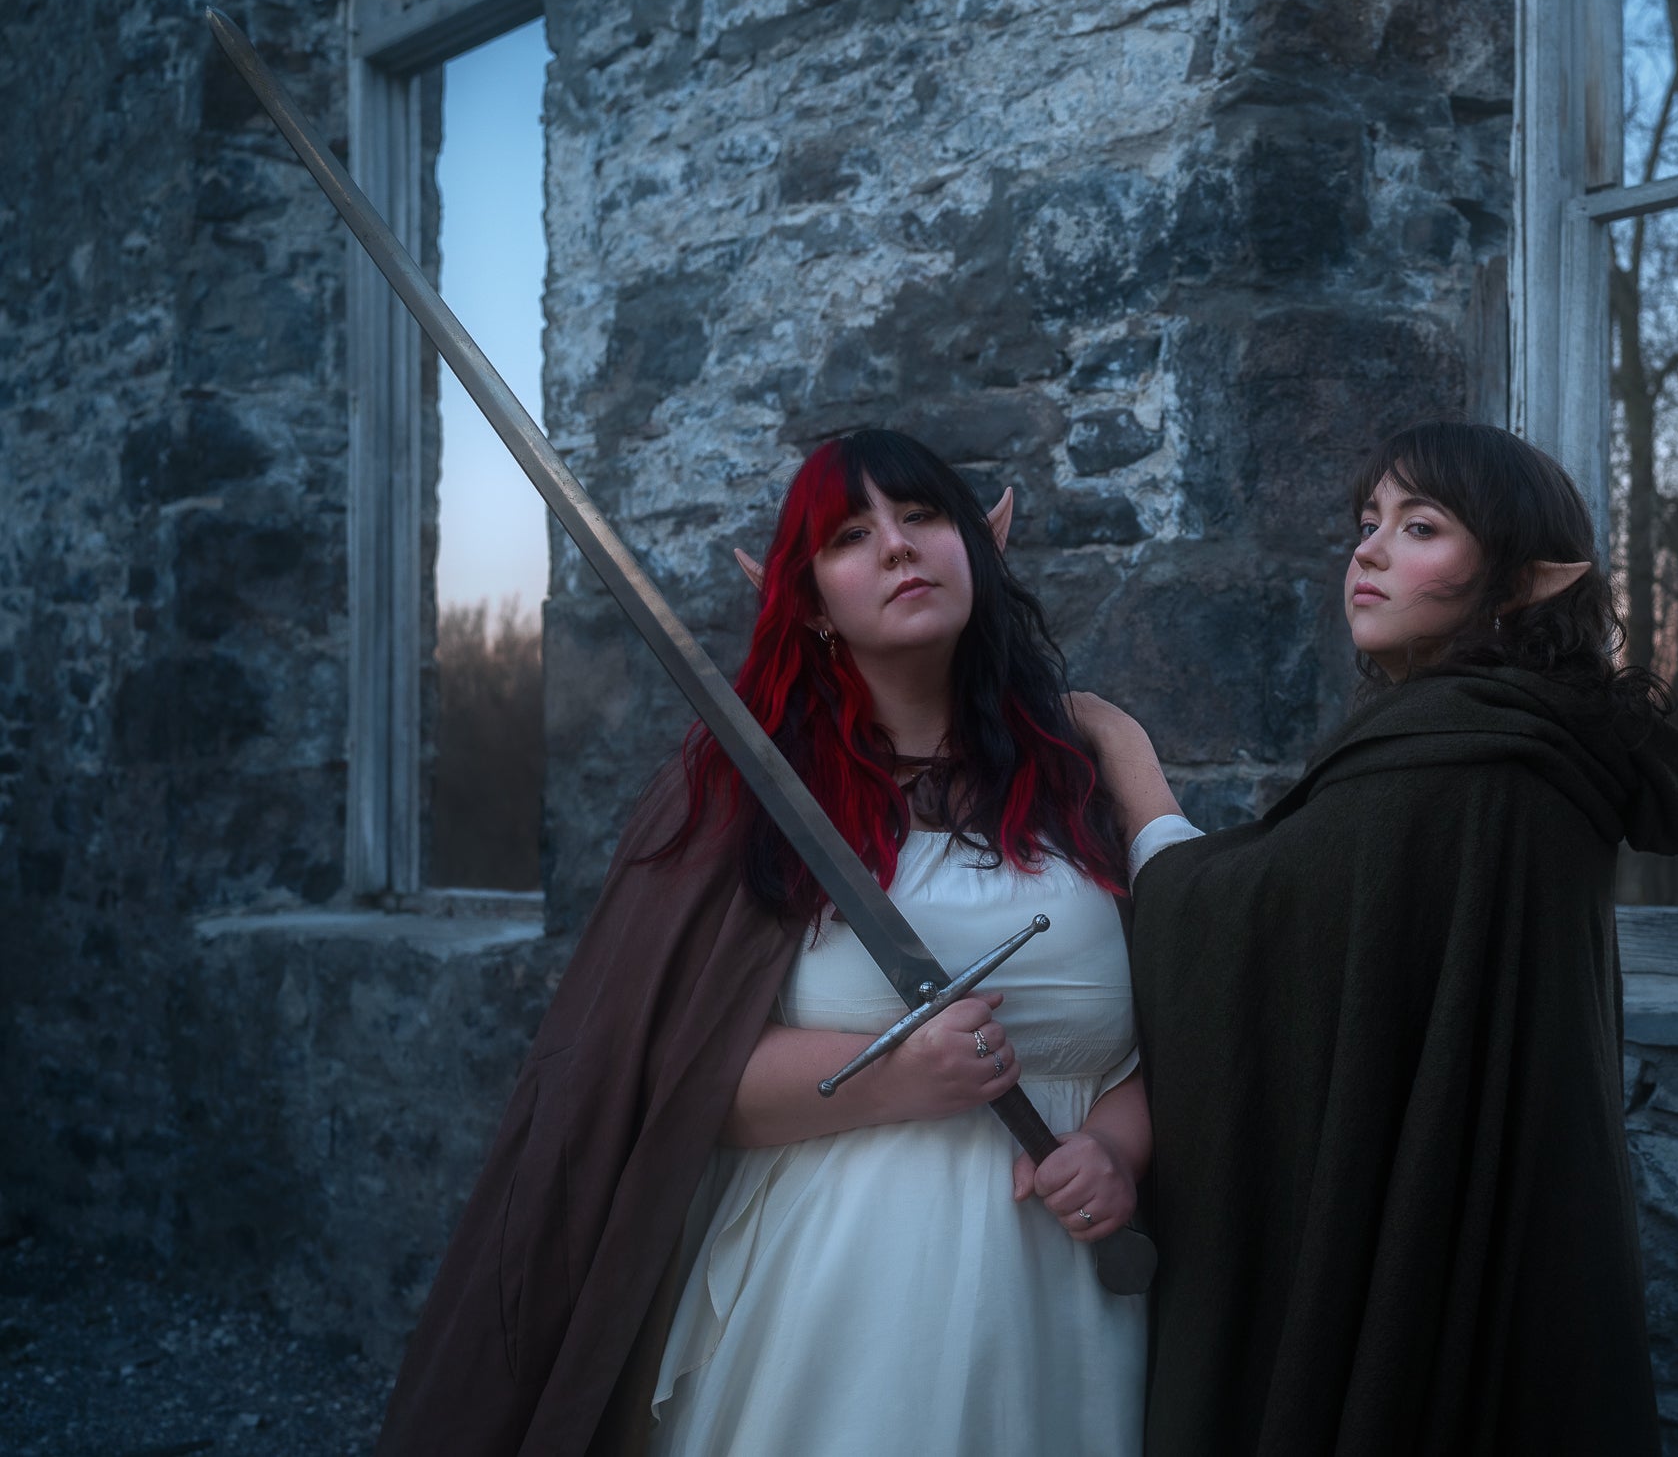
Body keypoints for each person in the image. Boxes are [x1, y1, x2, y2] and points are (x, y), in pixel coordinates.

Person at [377, 429, 1179, 1457]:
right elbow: (660, 1080)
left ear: (977, 549)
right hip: (840, 1297)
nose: (897, 547)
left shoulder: (1079, 776)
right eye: (852, 534)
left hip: (1070, 1292)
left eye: (923, 516)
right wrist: (892, 1074)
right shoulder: (743, 798)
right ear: (807, 602)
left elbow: (1161, 1030)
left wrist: (1115, 1148)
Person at [1127, 420, 1678, 1455]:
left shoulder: (1468, 763)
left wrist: (1135, 790)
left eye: (1419, 526)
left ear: (1526, 582)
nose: (1369, 549)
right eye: (1368, 521)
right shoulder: (1526, 748)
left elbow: (1244, 926)